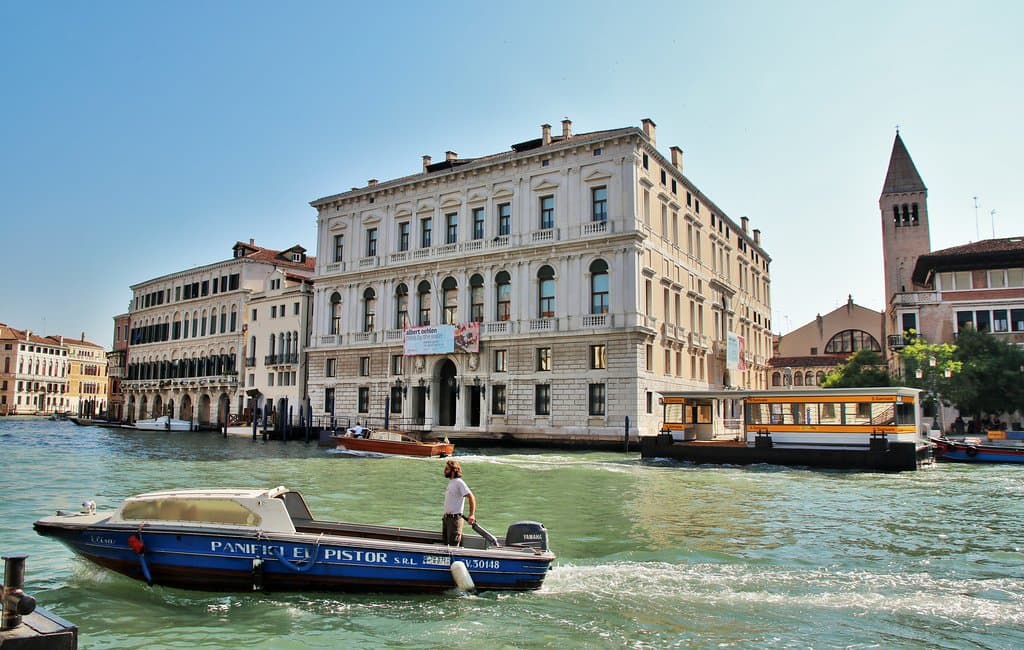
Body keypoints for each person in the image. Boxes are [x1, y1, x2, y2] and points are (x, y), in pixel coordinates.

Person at [442, 459, 476, 546]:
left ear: (454, 470)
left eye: (447, 469)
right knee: (446, 546)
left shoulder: (459, 482)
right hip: (447, 519)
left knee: (453, 547)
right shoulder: (451, 482)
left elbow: (471, 497)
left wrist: (471, 514)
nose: (445, 470)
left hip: (454, 520)